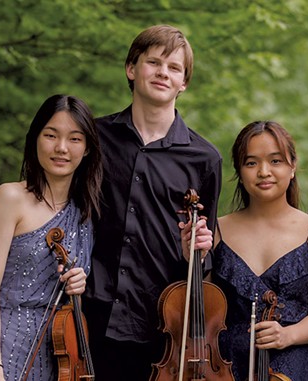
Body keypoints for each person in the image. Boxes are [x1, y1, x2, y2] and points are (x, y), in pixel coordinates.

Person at [81, 25, 221, 381]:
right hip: (90, 316)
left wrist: (199, 251)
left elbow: (203, 261)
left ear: (183, 82)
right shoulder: (95, 139)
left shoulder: (204, 159)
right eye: (153, 62)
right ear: (132, 69)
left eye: (174, 68)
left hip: (160, 330)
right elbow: (59, 207)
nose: (163, 72)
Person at [0, 94, 103, 380]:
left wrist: (80, 281)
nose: (61, 148)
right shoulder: (10, 198)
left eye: (74, 139)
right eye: (50, 135)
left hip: (64, 350)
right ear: (35, 139)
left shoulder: (86, 211)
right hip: (8, 345)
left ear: (87, 149)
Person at [210, 121, 308, 380]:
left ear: (292, 167)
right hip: (225, 367)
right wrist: (189, 256)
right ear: (239, 170)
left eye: (276, 161)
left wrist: (288, 335)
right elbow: (203, 308)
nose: (264, 171)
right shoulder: (216, 231)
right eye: (251, 163)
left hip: (291, 368)